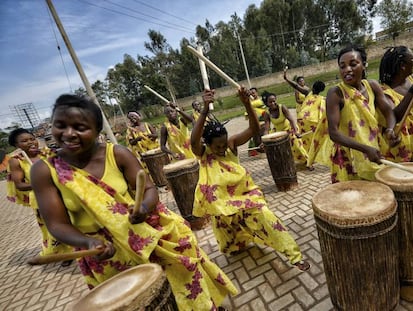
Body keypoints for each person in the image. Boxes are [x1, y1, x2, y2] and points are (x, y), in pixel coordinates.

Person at [30, 94, 237, 311]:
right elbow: (56, 224)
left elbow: (148, 188)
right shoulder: (45, 171)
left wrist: (144, 207)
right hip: (104, 253)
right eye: (60, 125)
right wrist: (87, 243)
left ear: (97, 129)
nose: (69, 134)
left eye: (80, 127)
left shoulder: (117, 154)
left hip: (146, 233)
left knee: (185, 279)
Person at [190, 88, 310, 272]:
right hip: (222, 206)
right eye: (217, 146)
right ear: (208, 144)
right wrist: (205, 109)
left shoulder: (231, 145)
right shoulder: (203, 153)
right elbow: (193, 141)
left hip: (245, 198)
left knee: (268, 218)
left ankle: (294, 255)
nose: (222, 149)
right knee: (229, 242)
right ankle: (238, 244)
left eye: (223, 143)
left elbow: (254, 129)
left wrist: (247, 103)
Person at [326, 44, 400, 183]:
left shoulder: (372, 86)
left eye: (353, 64)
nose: (347, 69)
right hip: (350, 157)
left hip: (376, 152)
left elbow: (388, 112)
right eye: (342, 66)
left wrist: (390, 130)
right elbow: (333, 133)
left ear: (364, 65)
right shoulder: (336, 94)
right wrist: (365, 149)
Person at [6, 128, 72, 265]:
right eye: (24, 141)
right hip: (43, 199)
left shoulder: (46, 153)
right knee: (56, 227)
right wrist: (43, 184)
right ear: (17, 145)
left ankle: (82, 247)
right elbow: (19, 185)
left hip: (63, 194)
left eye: (32, 138)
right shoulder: (17, 161)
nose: (31, 142)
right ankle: (65, 254)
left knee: (74, 220)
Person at [379, 46, 413, 162]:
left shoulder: (411, 80)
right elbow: (395, 115)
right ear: (402, 66)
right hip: (401, 149)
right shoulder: (384, 92)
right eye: (412, 60)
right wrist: (412, 91)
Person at [262, 92, 312, 170]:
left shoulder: (282, 107)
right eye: (270, 102)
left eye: (274, 101)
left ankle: (308, 162)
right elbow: (266, 128)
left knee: (297, 146)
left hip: (290, 128)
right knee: (281, 150)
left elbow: (291, 120)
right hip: (279, 132)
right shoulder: (267, 113)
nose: (273, 103)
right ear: (266, 103)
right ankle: (288, 165)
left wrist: (296, 132)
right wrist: (264, 140)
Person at [296, 81, 326, 152]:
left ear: (313, 87)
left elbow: (296, 86)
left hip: (301, 119)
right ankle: (314, 153)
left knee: (304, 139)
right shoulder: (322, 99)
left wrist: (286, 79)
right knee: (315, 138)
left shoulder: (308, 93)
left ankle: (306, 154)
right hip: (313, 122)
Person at [245, 87, 266, 157]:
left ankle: (265, 150)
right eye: (251, 93)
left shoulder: (261, 101)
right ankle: (259, 151)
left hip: (263, 122)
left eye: (254, 93)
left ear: (257, 92)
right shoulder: (250, 103)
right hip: (254, 123)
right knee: (256, 139)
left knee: (264, 136)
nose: (253, 94)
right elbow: (247, 114)